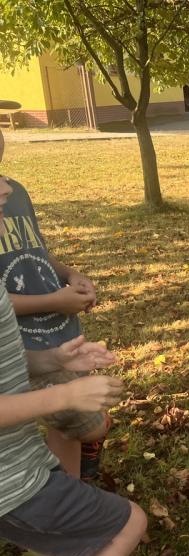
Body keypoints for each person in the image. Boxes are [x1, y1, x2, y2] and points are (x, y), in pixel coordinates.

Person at [0, 168, 147, 556]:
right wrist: (65, 394)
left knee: (77, 545)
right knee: (126, 524)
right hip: (10, 482)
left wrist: (54, 360)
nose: (6, 187)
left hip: (20, 461)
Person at [0, 104, 109, 481]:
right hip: (21, 343)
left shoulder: (14, 192)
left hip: (58, 331)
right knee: (88, 423)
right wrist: (55, 300)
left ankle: (72, 489)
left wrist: (70, 275)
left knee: (76, 425)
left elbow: (35, 249)